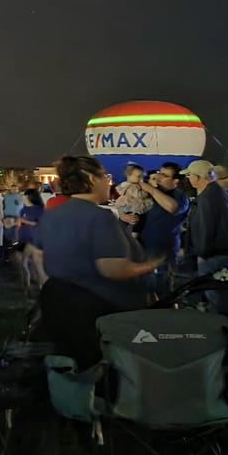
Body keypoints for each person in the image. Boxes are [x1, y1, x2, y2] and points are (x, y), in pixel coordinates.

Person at [34, 156, 163, 368]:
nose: (108, 182)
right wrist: (148, 266)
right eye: (105, 176)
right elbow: (111, 268)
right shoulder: (99, 217)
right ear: (91, 179)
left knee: (71, 366)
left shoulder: (53, 214)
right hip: (101, 314)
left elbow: (36, 256)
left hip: (59, 306)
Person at [126, 162, 190, 284]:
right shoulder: (152, 193)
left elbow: (173, 207)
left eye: (165, 175)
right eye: (160, 173)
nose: (160, 177)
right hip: (142, 247)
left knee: (162, 285)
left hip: (163, 250)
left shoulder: (180, 196)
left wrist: (151, 189)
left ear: (175, 181)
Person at [182, 160, 228, 314]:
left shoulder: (207, 199)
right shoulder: (217, 192)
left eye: (190, 175)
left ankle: (219, 324)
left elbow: (206, 228)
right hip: (221, 252)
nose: (188, 179)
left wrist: (202, 253)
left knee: (214, 293)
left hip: (212, 255)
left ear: (198, 177)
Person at [112, 163, 152, 227]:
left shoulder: (135, 185)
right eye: (138, 176)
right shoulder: (129, 186)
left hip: (133, 209)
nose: (140, 179)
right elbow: (138, 195)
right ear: (128, 175)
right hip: (129, 208)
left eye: (141, 176)